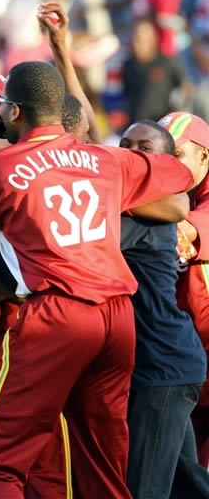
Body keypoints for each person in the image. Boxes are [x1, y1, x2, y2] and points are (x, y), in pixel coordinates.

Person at [0, 60, 195, 498]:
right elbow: (179, 177)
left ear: (14, 112)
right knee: (104, 467)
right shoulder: (107, 159)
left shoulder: (2, 167)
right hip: (117, 318)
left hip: (57, 314)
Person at [118, 119, 209, 498]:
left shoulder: (164, 210)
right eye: (127, 145)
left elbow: (185, 223)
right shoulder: (155, 202)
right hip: (172, 361)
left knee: (147, 486)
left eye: (148, 148)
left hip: (169, 365)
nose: (135, 155)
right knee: (183, 479)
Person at [159, 112, 209, 469]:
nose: (165, 165)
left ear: (204, 156)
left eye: (175, 155)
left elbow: (191, 229)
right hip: (183, 363)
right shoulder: (168, 191)